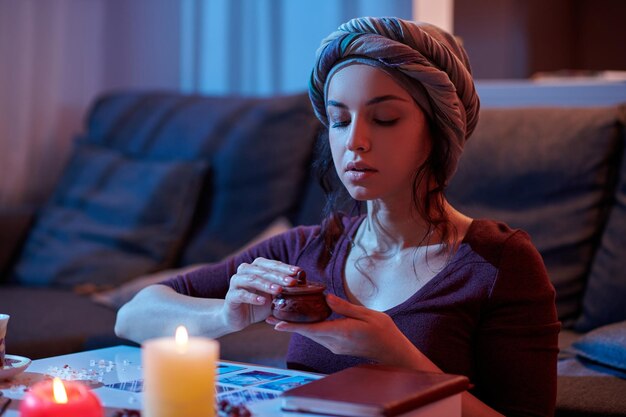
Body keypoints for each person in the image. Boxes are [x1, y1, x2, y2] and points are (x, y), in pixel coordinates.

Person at [115, 16, 560, 417]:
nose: (355, 142)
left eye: (384, 118)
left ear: (439, 133)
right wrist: (227, 317)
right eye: (339, 120)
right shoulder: (306, 247)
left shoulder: (498, 262)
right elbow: (132, 316)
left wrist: (397, 356)